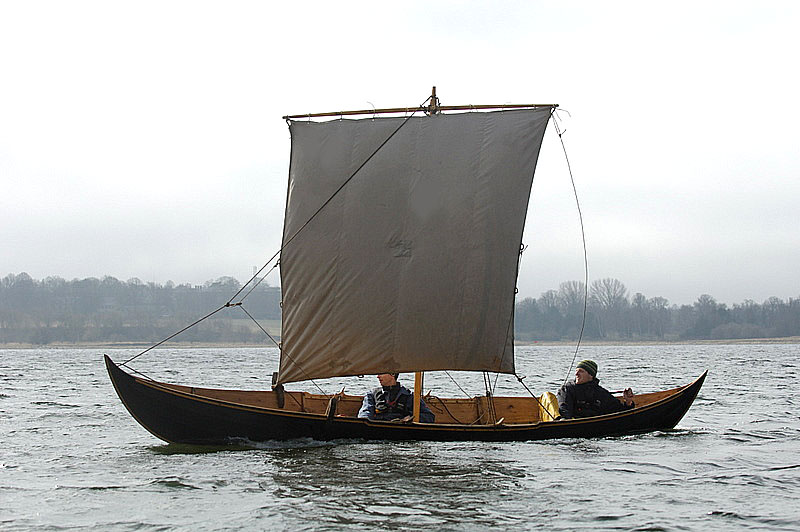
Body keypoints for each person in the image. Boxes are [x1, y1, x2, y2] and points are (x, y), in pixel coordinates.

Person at [556, 360, 635, 419]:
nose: (576, 374)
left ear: (591, 375)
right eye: (576, 371)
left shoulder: (600, 392)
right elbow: (564, 407)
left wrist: (628, 402)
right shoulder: (567, 389)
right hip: (568, 423)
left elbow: (619, 411)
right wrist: (566, 420)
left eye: (581, 371)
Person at [358, 373, 435, 423]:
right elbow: (365, 412)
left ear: (392, 374)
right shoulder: (372, 394)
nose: (378, 376)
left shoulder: (410, 396)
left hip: (402, 432)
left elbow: (429, 417)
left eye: (381, 373)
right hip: (378, 430)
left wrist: (409, 419)